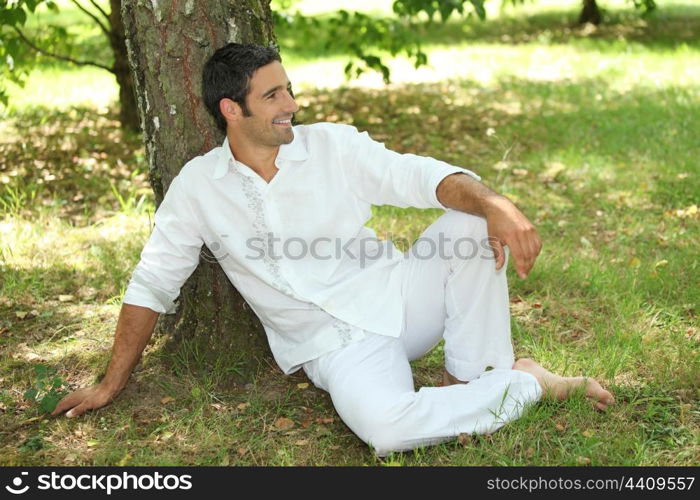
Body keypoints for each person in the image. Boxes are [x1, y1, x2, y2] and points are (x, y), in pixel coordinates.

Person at [52, 43, 614, 456]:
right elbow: (154, 281)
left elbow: (417, 176)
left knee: (467, 222)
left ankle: (472, 378)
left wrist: (497, 204)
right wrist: (111, 382)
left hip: (397, 298)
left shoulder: (332, 146)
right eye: (272, 95)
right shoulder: (198, 187)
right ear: (231, 109)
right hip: (333, 346)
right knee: (389, 431)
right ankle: (523, 383)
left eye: (289, 88)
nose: (291, 103)